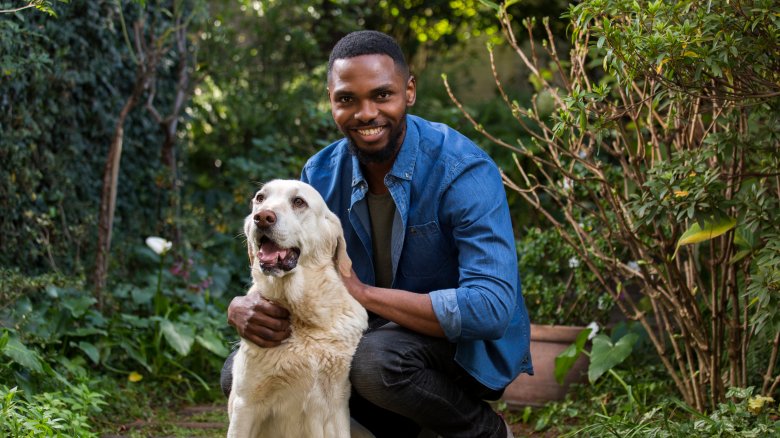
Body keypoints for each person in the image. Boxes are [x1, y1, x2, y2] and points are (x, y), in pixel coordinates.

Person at [223, 30, 532, 438]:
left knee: (375, 363)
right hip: (363, 334)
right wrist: (245, 305)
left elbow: (489, 307)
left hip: (460, 354)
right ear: (332, 100)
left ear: (409, 91)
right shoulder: (319, 174)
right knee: (239, 372)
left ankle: (484, 432)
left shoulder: (462, 170)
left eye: (382, 95)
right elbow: (296, 264)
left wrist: (363, 294)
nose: (365, 113)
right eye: (347, 99)